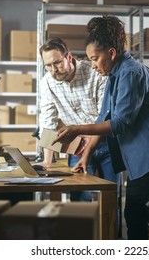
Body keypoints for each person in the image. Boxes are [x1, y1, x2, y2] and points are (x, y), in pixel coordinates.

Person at [52, 15, 149, 240]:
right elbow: (103, 117)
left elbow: (121, 122)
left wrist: (76, 129)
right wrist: (86, 155)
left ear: (111, 53)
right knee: (136, 217)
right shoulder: (115, 75)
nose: (93, 65)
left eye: (95, 58)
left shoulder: (131, 73)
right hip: (143, 160)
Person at [38, 37, 121, 203]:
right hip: (78, 146)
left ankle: (113, 230)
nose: (53, 70)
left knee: (112, 199)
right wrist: (47, 160)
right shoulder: (47, 83)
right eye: (48, 65)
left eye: (57, 63)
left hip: (107, 143)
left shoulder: (94, 73)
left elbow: (104, 115)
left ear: (69, 57)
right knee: (79, 197)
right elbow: (48, 121)